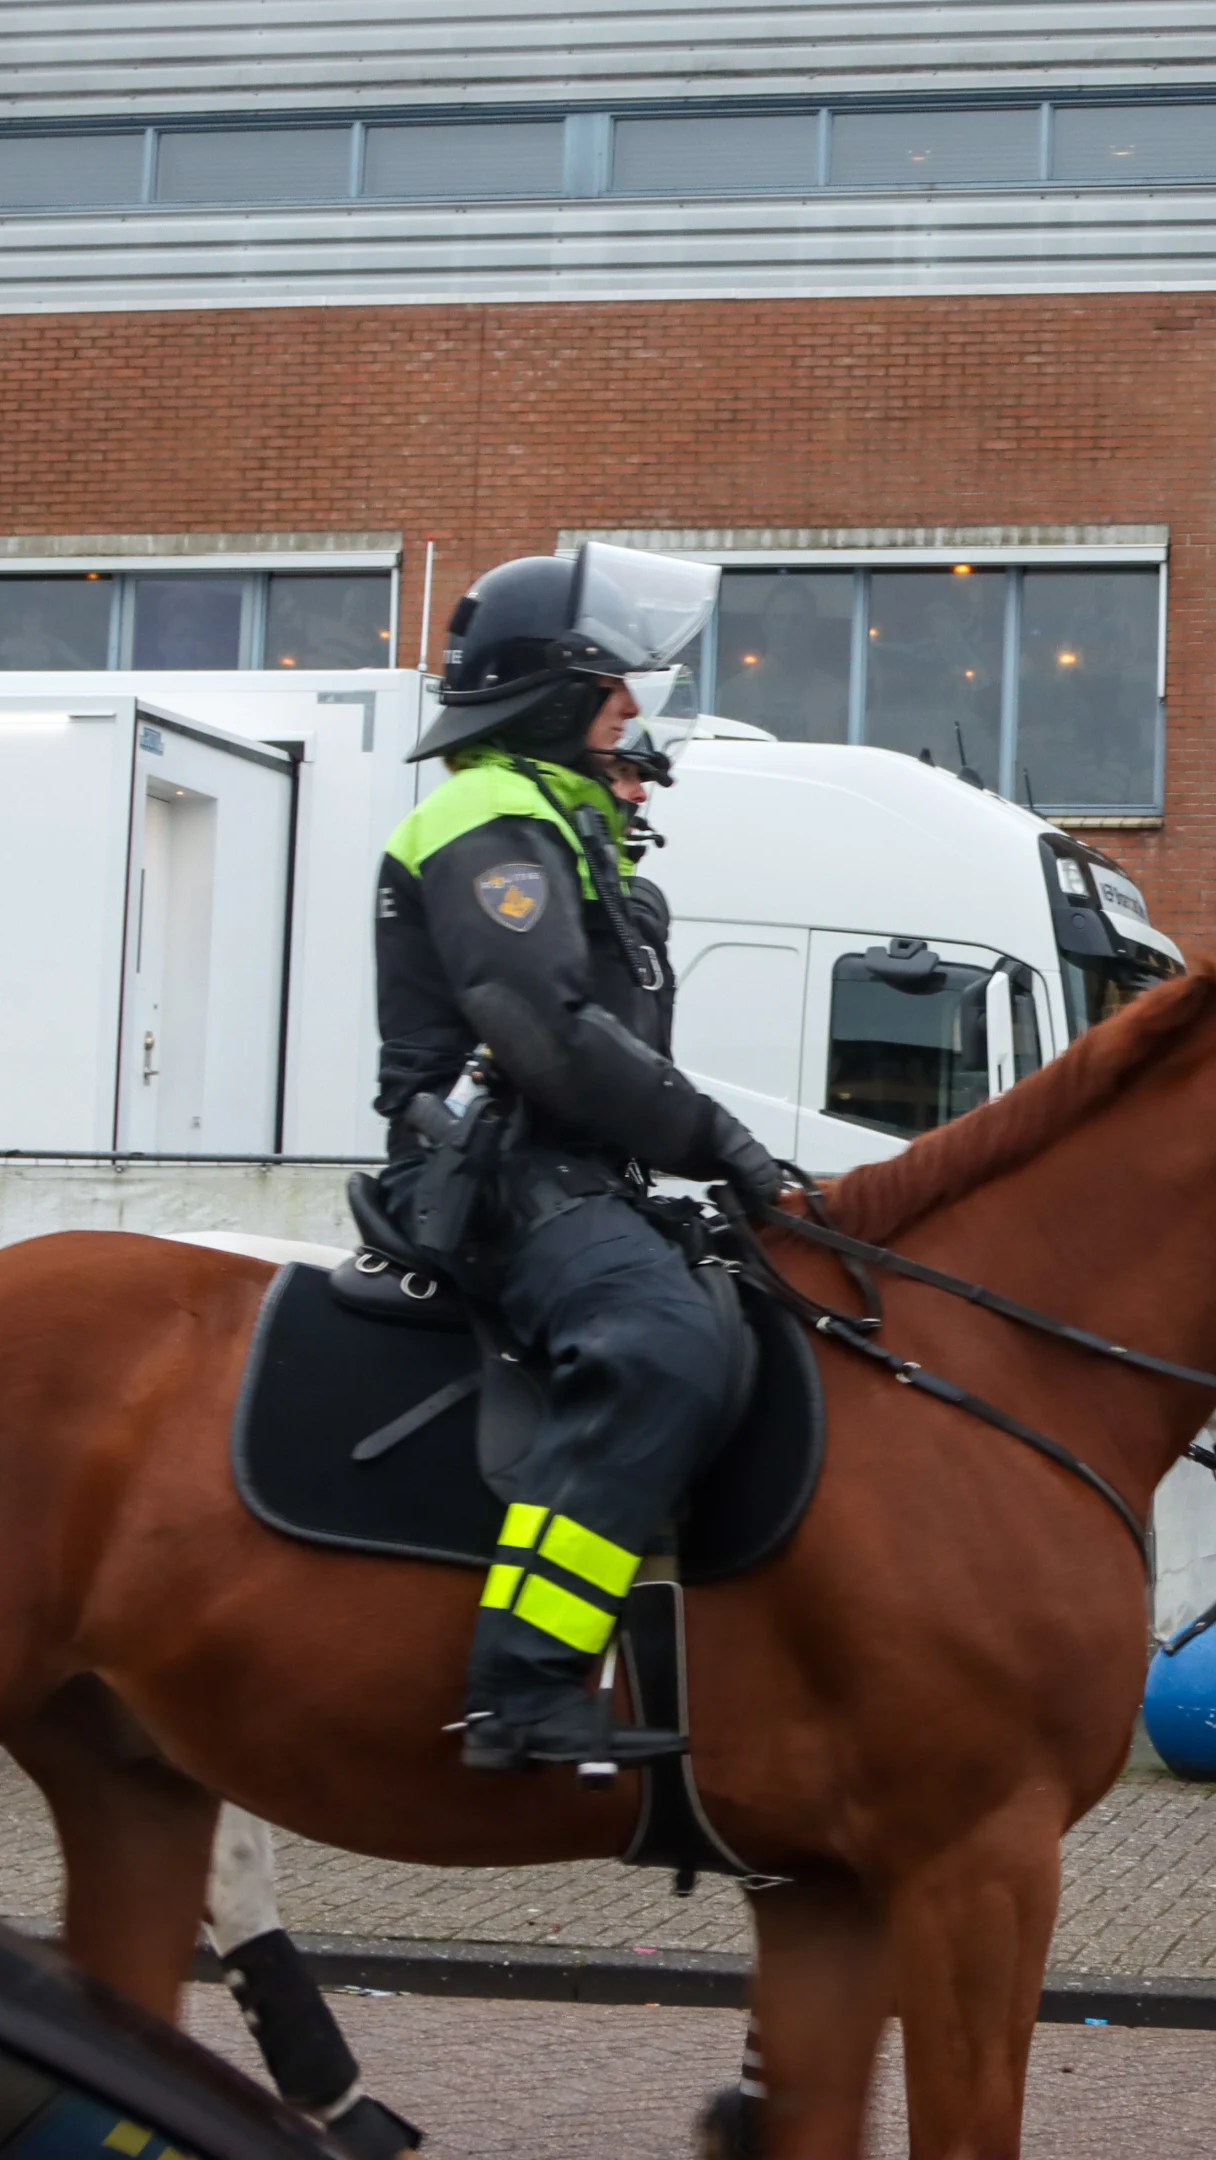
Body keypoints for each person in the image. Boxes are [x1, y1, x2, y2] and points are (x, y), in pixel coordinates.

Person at [375, 544, 785, 1771]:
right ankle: (528, 1685)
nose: (636, 732)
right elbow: (548, 1037)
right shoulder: (484, 818)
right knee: (659, 1345)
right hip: (502, 1171)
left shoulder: (564, 827)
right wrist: (725, 1144)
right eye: (616, 702)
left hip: (573, 1170)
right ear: (557, 704)